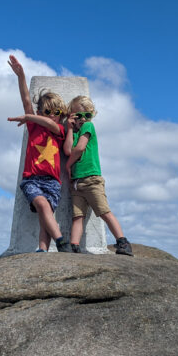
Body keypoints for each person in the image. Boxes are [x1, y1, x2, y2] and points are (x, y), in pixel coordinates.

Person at [7, 55, 72, 253]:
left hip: (52, 182)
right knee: (43, 206)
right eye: (47, 111)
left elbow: (52, 124)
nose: (52, 115)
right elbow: (26, 100)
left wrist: (30, 117)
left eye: (57, 112)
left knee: (46, 217)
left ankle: (42, 250)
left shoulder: (59, 132)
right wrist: (21, 76)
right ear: (39, 112)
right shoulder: (34, 126)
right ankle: (62, 243)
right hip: (32, 180)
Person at [63, 95, 133, 256]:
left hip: (91, 179)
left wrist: (68, 165)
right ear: (71, 115)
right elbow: (67, 150)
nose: (83, 119)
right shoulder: (74, 132)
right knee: (77, 216)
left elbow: (79, 148)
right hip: (76, 182)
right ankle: (74, 246)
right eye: (78, 115)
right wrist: (70, 128)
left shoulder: (89, 127)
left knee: (103, 211)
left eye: (87, 115)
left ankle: (122, 242)